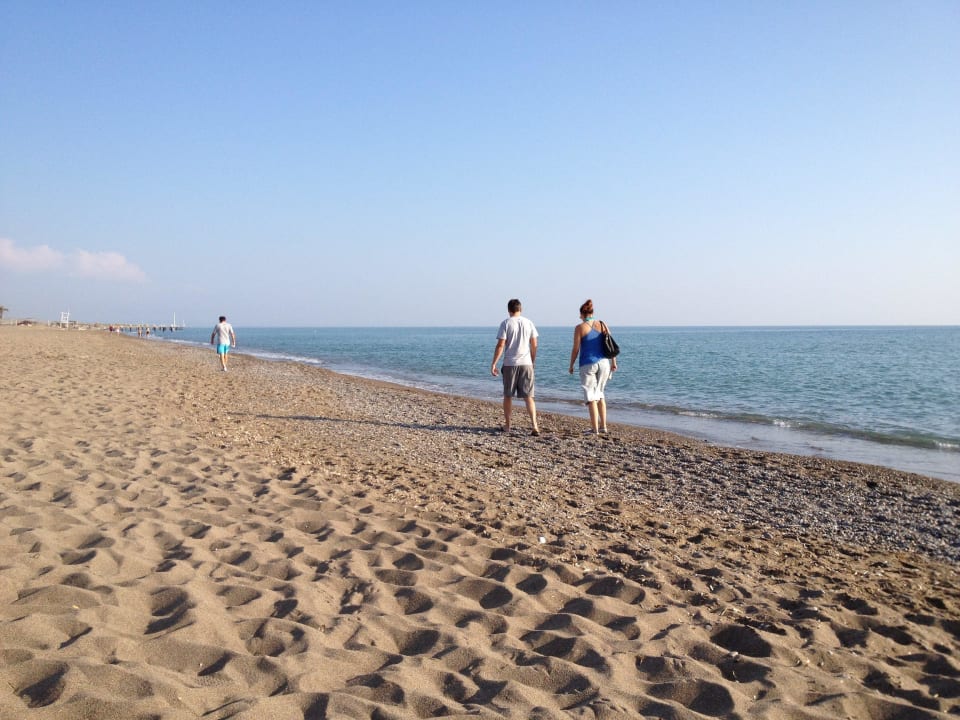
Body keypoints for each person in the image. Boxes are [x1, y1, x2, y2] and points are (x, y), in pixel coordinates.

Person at [491, 298, 540, 436]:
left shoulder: (506, 323)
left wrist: (494, 363)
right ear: (520, 309)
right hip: (526, 363)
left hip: (510, 364)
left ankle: (508, 425)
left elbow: (501, 345)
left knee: (508, 396)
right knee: (529, 396)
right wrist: (532, 360)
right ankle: (534, 426)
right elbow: (534, 344)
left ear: (509, 310)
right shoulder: (529, 323)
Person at [569, 299, 617, 435]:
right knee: (600, 395)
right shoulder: (602, 325)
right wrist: (614, 362)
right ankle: (603, 426)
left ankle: (595, 429)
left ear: (582, 314)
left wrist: (571, 364)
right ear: (592, 312)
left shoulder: (580, 328)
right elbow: (611, 345)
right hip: (604, 363)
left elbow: (576, 349)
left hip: (588, 363)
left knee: (591, 397)